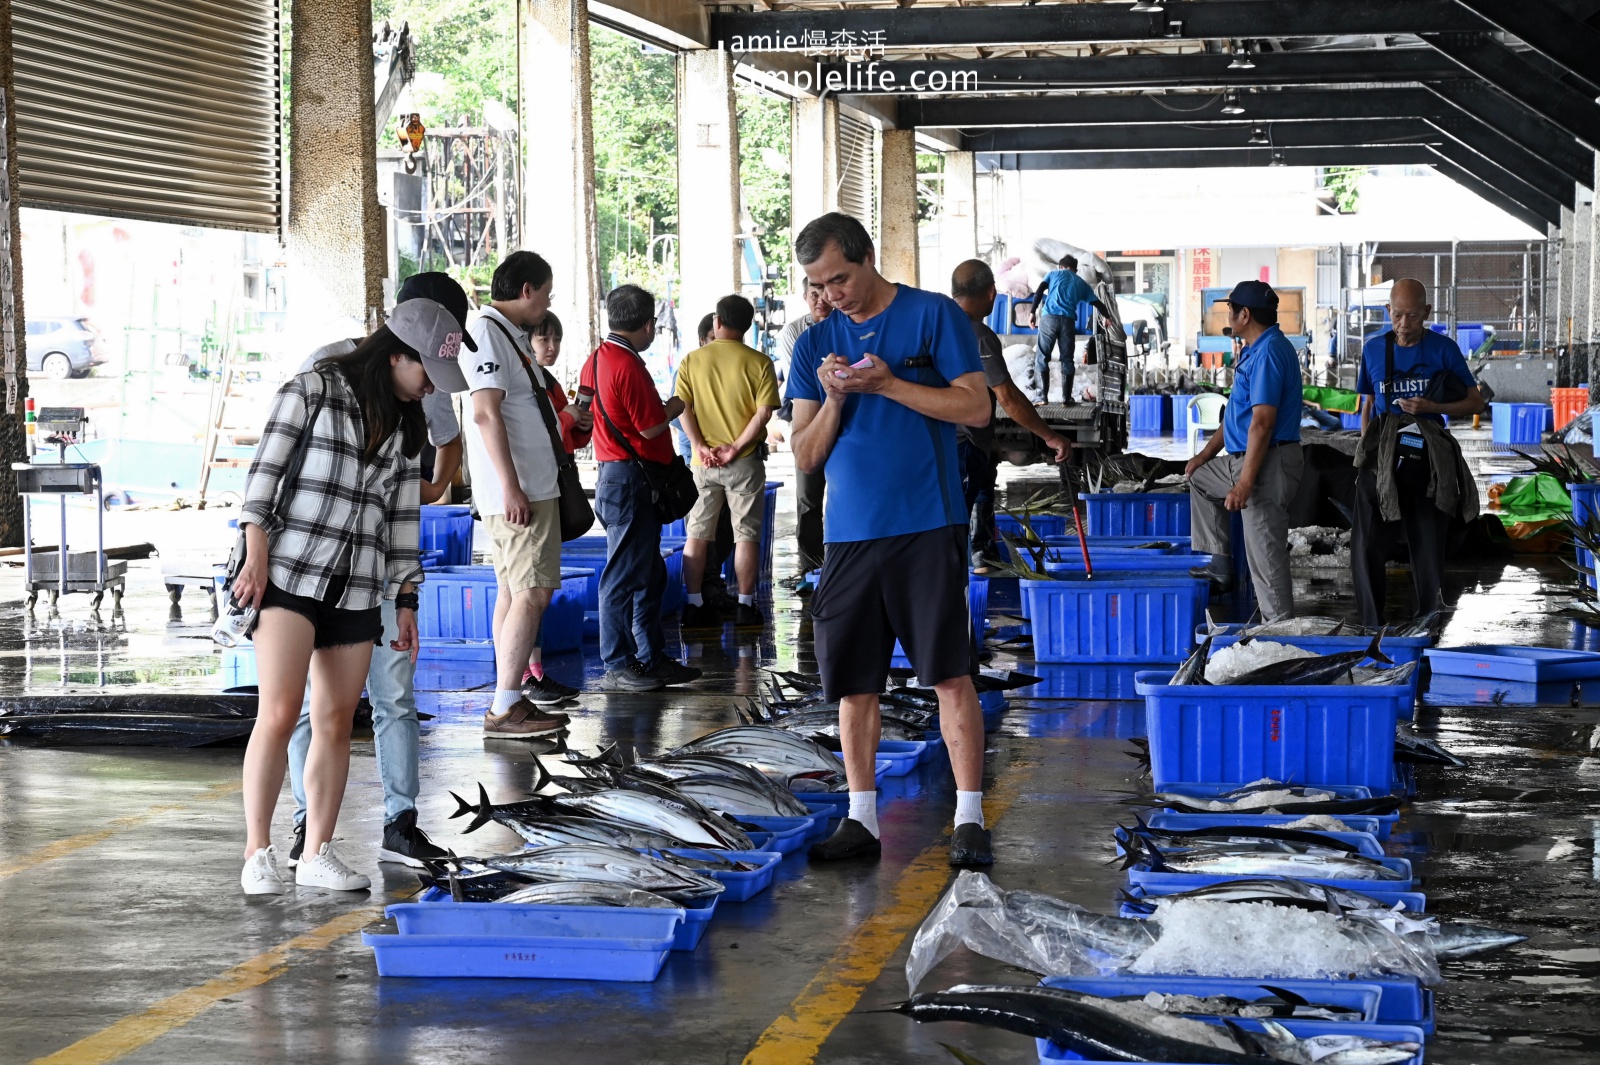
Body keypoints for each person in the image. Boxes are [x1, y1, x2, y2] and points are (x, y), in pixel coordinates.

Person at [786, 212, 994, 866]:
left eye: (839, 278)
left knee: (948, 673)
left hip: (926, 523)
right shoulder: (812, 345)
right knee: (855, 685)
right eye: (819, 284)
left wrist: (889, 384)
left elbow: (976, 408)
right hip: (848, 535)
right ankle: (861, 817)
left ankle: (969, 816)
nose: (832, 294)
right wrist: (838, 398)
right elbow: (806, 455)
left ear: (868, 257)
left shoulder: (933, 316)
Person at [234, 298, 461, 894]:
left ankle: (317, 853)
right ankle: (258, 851)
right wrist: (255, 554)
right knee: (281, 713)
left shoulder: (408, 429)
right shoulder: (311, 390)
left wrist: (407, 600)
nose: (431, 389)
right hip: (289, 576)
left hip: (359, 586)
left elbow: (403, 519)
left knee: (337, 720)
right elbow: (263, 480)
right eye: (426, 374)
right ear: (394, 356)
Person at [462, 250, 577, 732]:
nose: (547, 304)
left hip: (528, 483)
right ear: (527, 290)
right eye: (546, 293)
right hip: (519, 487)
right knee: (531, 593)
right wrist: (510, 487)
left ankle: (508, 695)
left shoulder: (505, 334)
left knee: (515, 591)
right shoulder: (488, 332)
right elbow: (486, 412)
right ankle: (506, 706)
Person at [581, 284, 703, 692]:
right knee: (620, 576)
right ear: (648, 326)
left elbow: (582, 411)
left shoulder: (597, 359)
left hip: (617, 475)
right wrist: (676, 406)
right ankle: (617, 663)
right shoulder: (628, 366)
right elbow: (650, 426)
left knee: (648, 574)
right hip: (629, 479)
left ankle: (650, 658)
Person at [1351, 279, 1485, 625]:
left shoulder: (1444, 348)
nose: (1404, 325)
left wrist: (1431, 404)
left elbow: (1475, 401)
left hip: (1428, 455)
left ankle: (1429, 623)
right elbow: (1367, 404)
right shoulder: (1373, 349)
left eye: (1413, 316)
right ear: (1387, 312)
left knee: (1427, 543)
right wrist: (1366, 451)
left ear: (1426, 312)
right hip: (1383, 451)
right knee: (1366, 542)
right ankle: (1370, 625)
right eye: (1397, 316)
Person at [1185, 281, 1305, 622]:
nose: (1228, 315)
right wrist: (1204, 456)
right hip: (1242, 460)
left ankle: (1281, 640)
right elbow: (1237, 416)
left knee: (1266, 562)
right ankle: (1221, 566)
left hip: (1267, 463)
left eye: (1231, 310)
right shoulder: (1255, 348)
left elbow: (1262, 424)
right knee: (1199, 478)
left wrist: (1245, 484)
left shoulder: (1269, 353)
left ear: (1245, 314)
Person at [950, 260, 1070, 572]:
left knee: (973, 497)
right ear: (991, 293)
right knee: (957, 518)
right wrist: (1049, 435)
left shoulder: (932, 326)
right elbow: (1008, 397)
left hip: (936, 442)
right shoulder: (978, 335)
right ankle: (959, 578)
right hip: (962, 444)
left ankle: (980, 557)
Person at [676, 293, 781, 629]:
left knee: (697, 534)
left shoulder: (692, 361)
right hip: (744, 462)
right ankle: (745, 606)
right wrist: (735, 447)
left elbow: (682, 408)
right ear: (748, 327)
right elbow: (764, 413)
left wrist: (699, 445)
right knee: (745, 536)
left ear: (717, 322)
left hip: (703, 464)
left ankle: (694, 605)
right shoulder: (760, 362)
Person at [520, 311, 589, 698]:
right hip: (533, 491)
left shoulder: (548, 381)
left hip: (552, 485)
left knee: (540, 586)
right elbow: (536, 432)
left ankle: (533, 672)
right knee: (529, 587)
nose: (551, 347)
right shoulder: (525, 382)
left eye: (556, 339)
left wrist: (579, 425)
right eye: (543, 339)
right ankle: (526, 677)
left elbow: (562, 439)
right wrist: (565, 417)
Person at [777, 280, 834, 579]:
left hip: (841, 423)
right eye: (814, 294)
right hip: (808, 422)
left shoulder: (845, 326)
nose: (821, 300)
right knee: (808, 498)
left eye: (825, 293)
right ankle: (811, 564)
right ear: (804, 297)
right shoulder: (795, 333)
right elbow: (803, 383)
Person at [1029, 255, 1107, 403]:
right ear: (1075, 270)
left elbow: (1040, 290)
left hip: (1049, 319)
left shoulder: (1053, 274)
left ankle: (1042, 396)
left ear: (1060, 266)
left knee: (1042, 356)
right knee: (1067, 360)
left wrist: (1032, 312)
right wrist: (1107, 316)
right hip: (1068, 322)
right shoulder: (1080, 282)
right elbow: (1097, 302)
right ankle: (1066, 398)